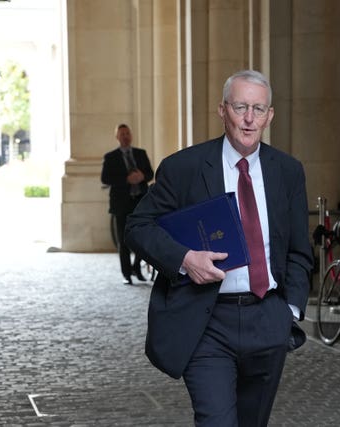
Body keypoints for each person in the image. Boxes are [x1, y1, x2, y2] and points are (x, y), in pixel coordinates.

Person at [125, 69, 313, 426]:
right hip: (207, 320)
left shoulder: (288, 171)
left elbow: (299, 250)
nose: (249, 118)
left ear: (270, 116)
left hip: (267, 319)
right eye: (240, 106)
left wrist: (289, 311)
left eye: (259, 109)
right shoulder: (184, 168)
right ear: (222, 110)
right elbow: (137, 226)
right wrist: (183, 259)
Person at [101, 124, 154, 285]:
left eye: (127, 133)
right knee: (123, 241)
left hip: (140, 203)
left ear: (131, 135)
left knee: (142, 238)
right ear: (117, 137)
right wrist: (126, 180)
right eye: (122, 134)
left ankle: (137, 266)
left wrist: (142, 176)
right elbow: (105, 179)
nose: (125, 136)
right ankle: (126, 274)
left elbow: (151, 173)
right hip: (121, 204)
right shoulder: (110, 157)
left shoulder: (140, 153)